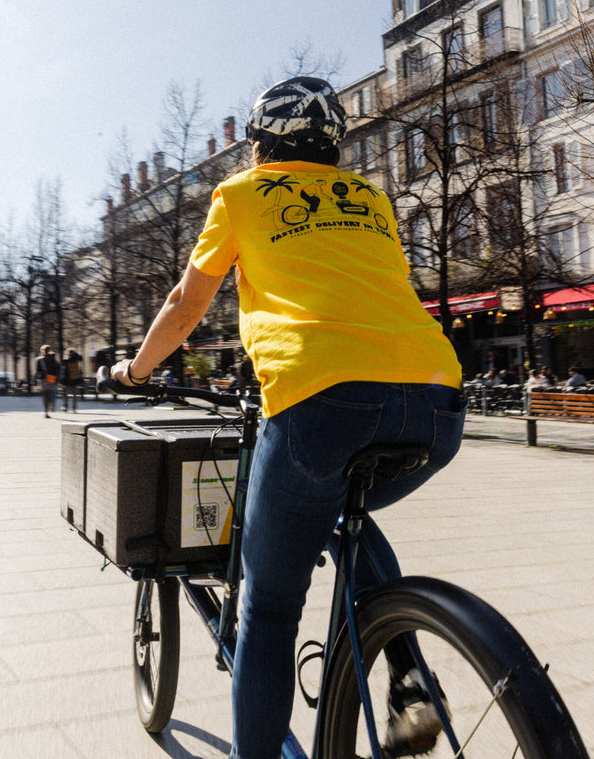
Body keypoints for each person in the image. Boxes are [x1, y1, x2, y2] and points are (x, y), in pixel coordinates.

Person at [111, 76, 465, 759]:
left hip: (320, 402)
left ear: (257, 145)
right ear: (333, 143)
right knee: (344, 515)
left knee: (269, 613)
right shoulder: (372, 199)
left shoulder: (240, 195)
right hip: (434, 400)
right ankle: (410, 678)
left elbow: (187, 302)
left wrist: (136, 371)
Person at [35, 344, 60, 417]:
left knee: (45, 395)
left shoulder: (40, 360)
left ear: (42, 351)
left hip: (43, 379)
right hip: (51, 379)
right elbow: (56, 369)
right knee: (50, 394)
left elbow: (38, 371)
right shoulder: (53, 359)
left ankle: (46, 411)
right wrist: (56, 378)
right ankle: (50, 403)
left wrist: (37, 379)